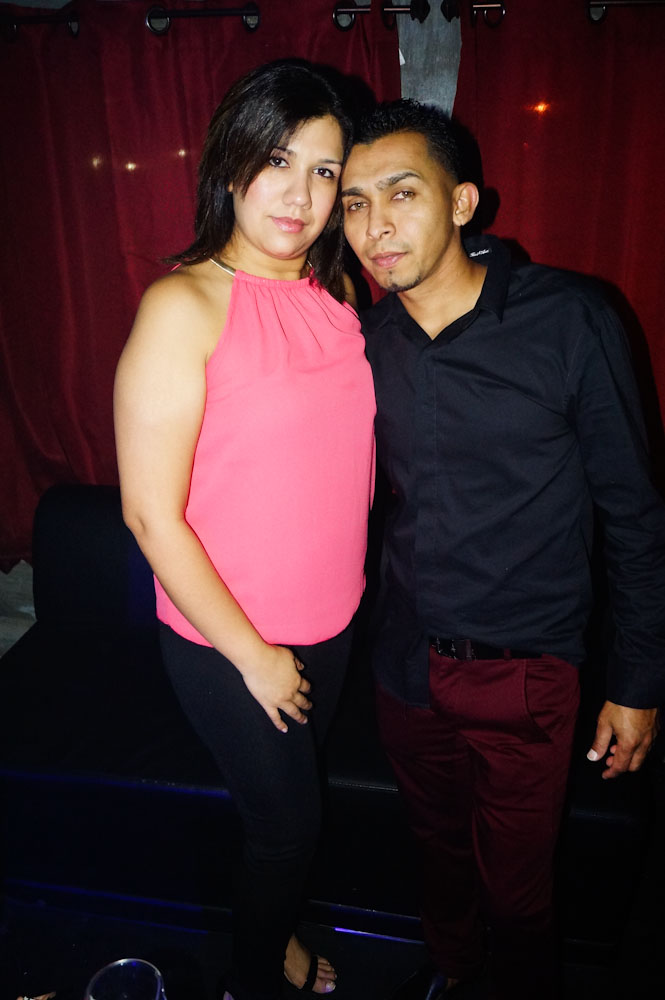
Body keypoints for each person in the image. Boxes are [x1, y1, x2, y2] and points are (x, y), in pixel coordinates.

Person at [341, 99, 664, 1000]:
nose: (374, 226)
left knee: (518, 893)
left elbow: (634, 514)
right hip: (405, 661)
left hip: (524, 669)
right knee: (435, 854)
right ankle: (451, 973)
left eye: (400, 193)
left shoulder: (569, 318)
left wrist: (637, 685)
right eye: (355, 203)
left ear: (461, 202)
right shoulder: (365, 344)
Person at [114, 61, 375, 1000]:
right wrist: (254, 657)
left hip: (334, 619)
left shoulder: (339, 298)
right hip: (229, 636)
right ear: (231, 165)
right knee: (286, 828)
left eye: (322, 171)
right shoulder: (180, 306)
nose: (300, 195)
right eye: (277, 160)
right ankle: (255, 977)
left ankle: (284, 931)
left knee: (295, 811)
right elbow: (150, 514)